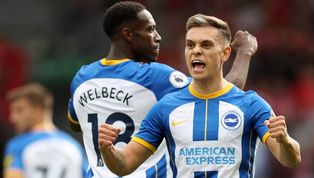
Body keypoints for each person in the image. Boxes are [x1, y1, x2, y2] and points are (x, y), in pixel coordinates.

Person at [67, 1, 257, 178]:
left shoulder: (82, 78)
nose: (158, 37)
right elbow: (220, 95)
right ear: (128, 35)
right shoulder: (155, 78)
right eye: (150, 30)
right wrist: (245, 52)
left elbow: (75, 124)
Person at [98, 14, 301, 177]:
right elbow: (124, 165)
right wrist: (108, 149)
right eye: (190, 45)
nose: (196, 51)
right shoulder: (165, 108)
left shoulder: (251, 105)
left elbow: (290, 158)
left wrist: (284, 141)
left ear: (225, 53)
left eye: (206, 45)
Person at [3, 83, 87, 178]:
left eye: (19, 110)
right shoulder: (74, 146)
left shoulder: (18, 145)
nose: (13, 118)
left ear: (39, 109)